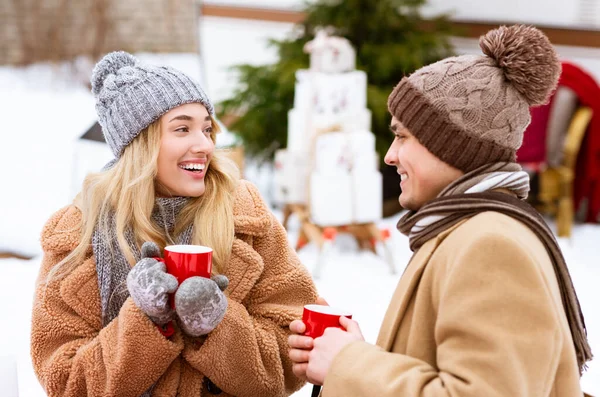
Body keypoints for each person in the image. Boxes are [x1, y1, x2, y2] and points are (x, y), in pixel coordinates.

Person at [288, 24, 592, 396]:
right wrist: (356, 357)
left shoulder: (491, 247)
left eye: (402, 136)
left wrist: (349, 363)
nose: (390, 155)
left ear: (451, 147)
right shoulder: (463, 228)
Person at [31, 51, 317, 397]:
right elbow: (66, 383)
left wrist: (215, 325)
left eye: (207, 129)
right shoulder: (78, 232)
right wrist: (147, 320)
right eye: (182, 128)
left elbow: (295, 356)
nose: (205, 145)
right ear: (140, 143)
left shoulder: (244, 214)